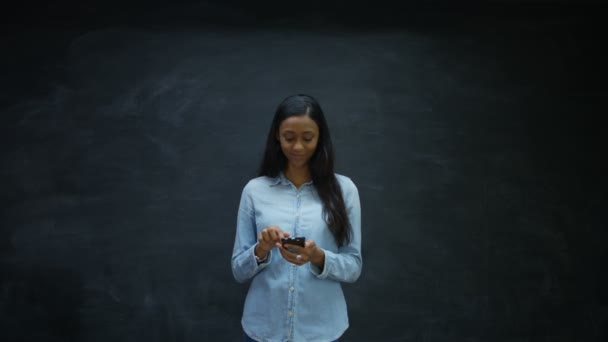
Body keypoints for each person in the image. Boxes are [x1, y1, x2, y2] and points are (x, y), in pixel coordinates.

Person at [231, 94, 362, 342]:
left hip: (321, 331)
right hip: (263, 330)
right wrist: (261, 249)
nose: (298, 147)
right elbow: (238, 270)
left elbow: (354, 266)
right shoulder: (254, 191)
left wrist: (317, 256)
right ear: (277, 137)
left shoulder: (345, 191)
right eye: (289, 138)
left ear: (320, 137)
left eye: (307, 138)